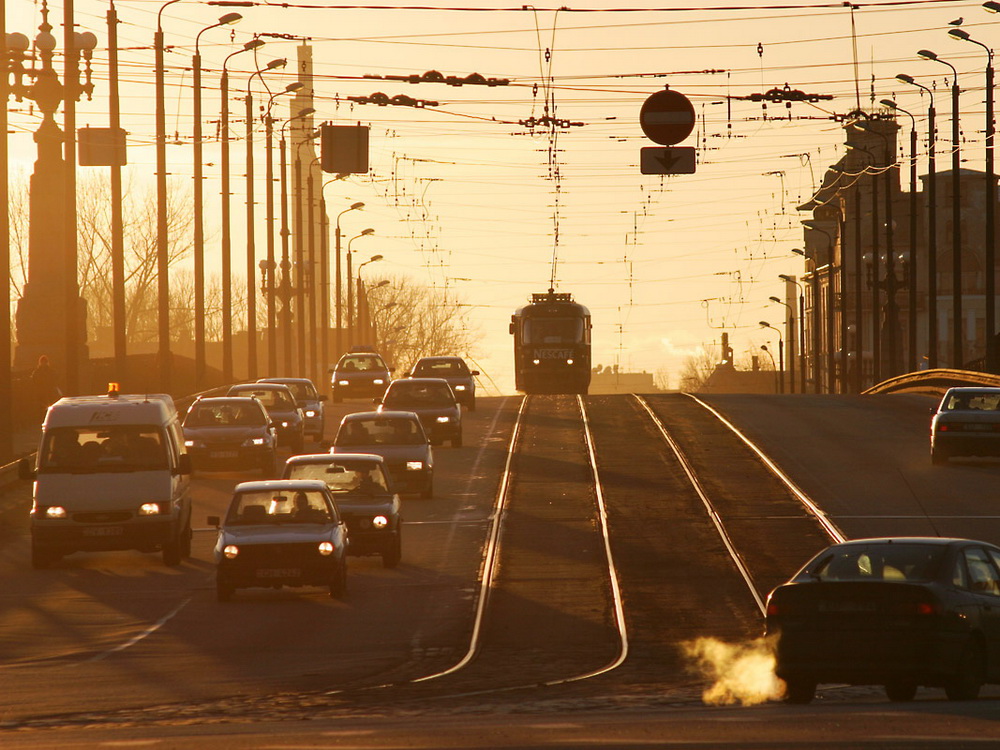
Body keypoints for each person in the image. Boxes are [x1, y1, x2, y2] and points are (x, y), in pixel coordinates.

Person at [31, 355, 61, 421]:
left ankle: (44, 418)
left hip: (44, 392)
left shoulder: (37, 372)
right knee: (46, 405)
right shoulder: (50, 371)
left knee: (43, 405)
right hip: (46, 392)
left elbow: (34, 380)